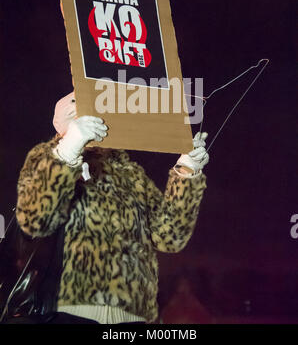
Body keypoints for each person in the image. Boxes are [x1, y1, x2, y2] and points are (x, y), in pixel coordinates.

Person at [15, 91, 209, 324]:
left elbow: (169, 236)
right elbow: (35, 217)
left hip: (131, 317)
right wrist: (68, 150)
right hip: (67, 312)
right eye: (74, 102)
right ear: (57, 122)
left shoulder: (131, 174)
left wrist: (186, 172)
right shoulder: (44, 159)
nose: (83, 107)